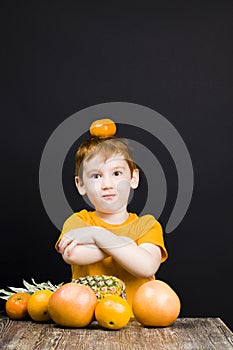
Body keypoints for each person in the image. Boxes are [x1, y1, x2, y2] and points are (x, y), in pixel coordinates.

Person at [56, 119, 168, 315]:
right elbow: (73, 254)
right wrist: (126, 243)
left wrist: (96, 235)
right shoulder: (79, 222)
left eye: (116, 173)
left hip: (139, 323)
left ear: (133, 178)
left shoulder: (147, 225)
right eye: (96, 176)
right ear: (80, 184)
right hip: (88, 323)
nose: (107, 184)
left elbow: (146, 266)